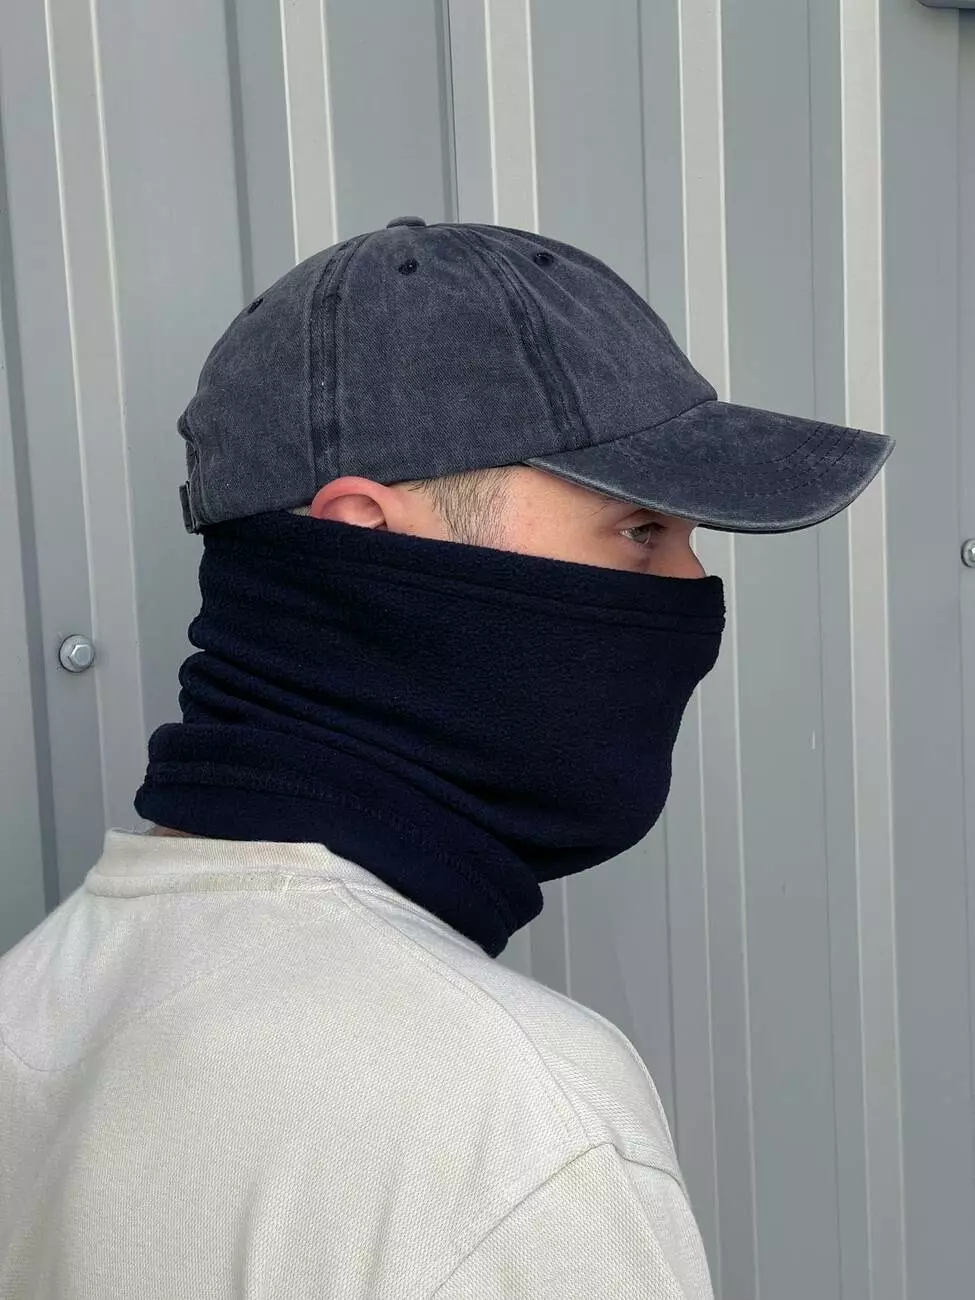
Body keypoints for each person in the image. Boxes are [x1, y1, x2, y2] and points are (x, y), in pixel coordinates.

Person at [0, 217, 893, 1298]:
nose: (691, 591)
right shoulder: (516, 1119)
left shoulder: (34, 1003)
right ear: (364, 534)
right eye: (639, 531)